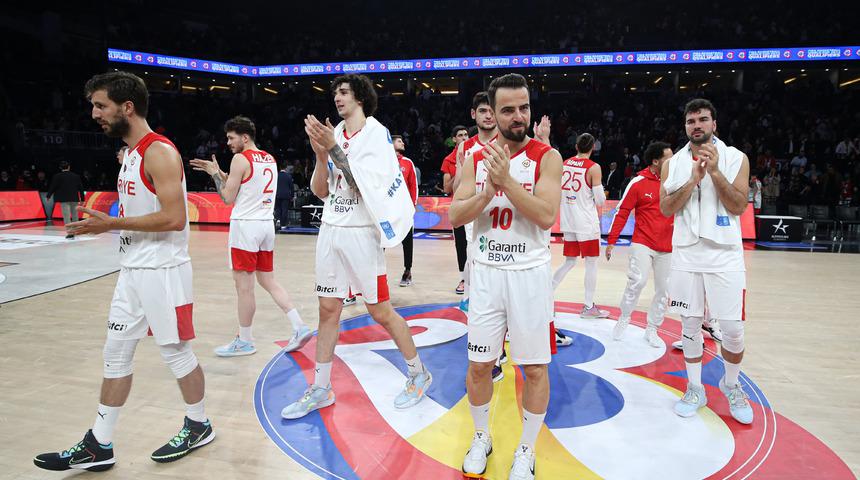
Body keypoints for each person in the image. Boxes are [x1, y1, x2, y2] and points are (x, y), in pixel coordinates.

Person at [34, 71, 214, 472]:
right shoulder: (130, 153)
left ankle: (199, 423)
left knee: (176, 353)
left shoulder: (159, 151)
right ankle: (99, 444)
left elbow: (174, 218)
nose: (95, 113)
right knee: (114, 353)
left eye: (100, 105)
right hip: (133, 270)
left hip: (163, 271)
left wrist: (110, 225)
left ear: (126, 107)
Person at [281, 74, 431, 420]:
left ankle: (419, 373)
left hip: (362, 233)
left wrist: (332, 146)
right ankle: (321, 387)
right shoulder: (336, 137)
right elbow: (322, 190)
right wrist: (321, 154)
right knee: (328, 310)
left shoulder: (377, 135)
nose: (337, 97)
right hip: (332, 229)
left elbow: (366, 188)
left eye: (344, 92)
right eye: (335, 93)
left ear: (361, 98)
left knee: (380, 311)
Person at [450, 73, 562, 480]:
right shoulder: (475, 159)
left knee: (533, 368)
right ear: (491, 114)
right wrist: (485, 192)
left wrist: (508, 183)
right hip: (487, 274)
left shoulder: (548, 157)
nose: (519, 117)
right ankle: (482, 436)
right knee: (479, 365)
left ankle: (527, 449)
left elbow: (547, 215)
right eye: (509, 110)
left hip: (529, 275)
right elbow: (455, 215)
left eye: (524, 108)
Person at [660, 98, 753, 425]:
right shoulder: (672, 164)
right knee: (688, 324)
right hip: (686, 254)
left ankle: (731, 384)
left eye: (702, 119)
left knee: (732, 329)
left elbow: (739, 205)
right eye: (690, 121)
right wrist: (693, 180)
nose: (696, 125)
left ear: (714, 124)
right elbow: (666, 209)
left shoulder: (736, 158)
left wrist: (713, 172)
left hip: (725, 255)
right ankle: (695, 387)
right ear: (685, 126)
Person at [189, 116, 311, 358]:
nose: (228, 143)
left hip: (245, 227)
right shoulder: (269, 158)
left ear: (245, 137)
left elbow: (227, 198)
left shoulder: (240, 159)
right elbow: (247, 184)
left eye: (231, 138)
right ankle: (299, 326)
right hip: (266, 225)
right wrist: (222, 173)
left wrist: (214, 174)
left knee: (244, 288)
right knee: (268, 281)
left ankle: (245, 341)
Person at [607, 142, 674, 348]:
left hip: (669, 246)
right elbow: (622, 211)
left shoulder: (677, 182)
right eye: (668, 157)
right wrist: (611, 241)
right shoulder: (638, 182)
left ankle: (652, 329)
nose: (674, 160)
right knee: (638, 281)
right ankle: (624, 319)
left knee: (665, 290)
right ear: (656, 161)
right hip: (642, 241)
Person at [553, 133, 610, 319]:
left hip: (568, 220)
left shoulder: (565, 163)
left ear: (576, 146)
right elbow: (600, 201)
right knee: (592, 263)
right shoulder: (594, 167)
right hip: (586, 222)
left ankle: (546, 293)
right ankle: (588, 306)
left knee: (569, 261)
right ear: (593, 147)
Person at [441, 125, 471, 297]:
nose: (464, 137)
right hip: (459, 207)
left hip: (476, 205)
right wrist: (459, 168)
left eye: (466, 134)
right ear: (454, 139)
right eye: (460, 135)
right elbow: (446, 188)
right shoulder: (448, 160)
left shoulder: (477, 153)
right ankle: (463, 278)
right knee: (461, 245)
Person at [393, 135, 418, 286]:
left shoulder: (408, 163)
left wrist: (412, 207)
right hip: (386, 211)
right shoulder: (383, 162)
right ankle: (378, 273)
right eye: (399, 140)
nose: (402, 142)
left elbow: (413, 186)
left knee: (407, 242)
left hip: (404, 211)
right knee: (381, 242)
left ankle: (407, 271)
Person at [47, 161, 86, 239]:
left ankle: (70, 232)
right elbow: (81, 188)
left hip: (64, 199)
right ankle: (76, 230)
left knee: (66, 216)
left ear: (60, 168)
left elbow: (53, 187)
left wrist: (49, 195)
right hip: (74, 198)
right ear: (69, 167)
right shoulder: (76, 176)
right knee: (75, 215)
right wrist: (82, 199)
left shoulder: (57, 176)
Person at [275, 161, 294, 231]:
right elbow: (291, 187)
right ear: (286, 168)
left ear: (280, 167)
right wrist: (292, 196)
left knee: (278, 209)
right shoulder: (288, 176)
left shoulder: (276, 175)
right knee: (284, 210)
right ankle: (283, 225)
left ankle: (278, 220)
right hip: (286, 195)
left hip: (277, 195)